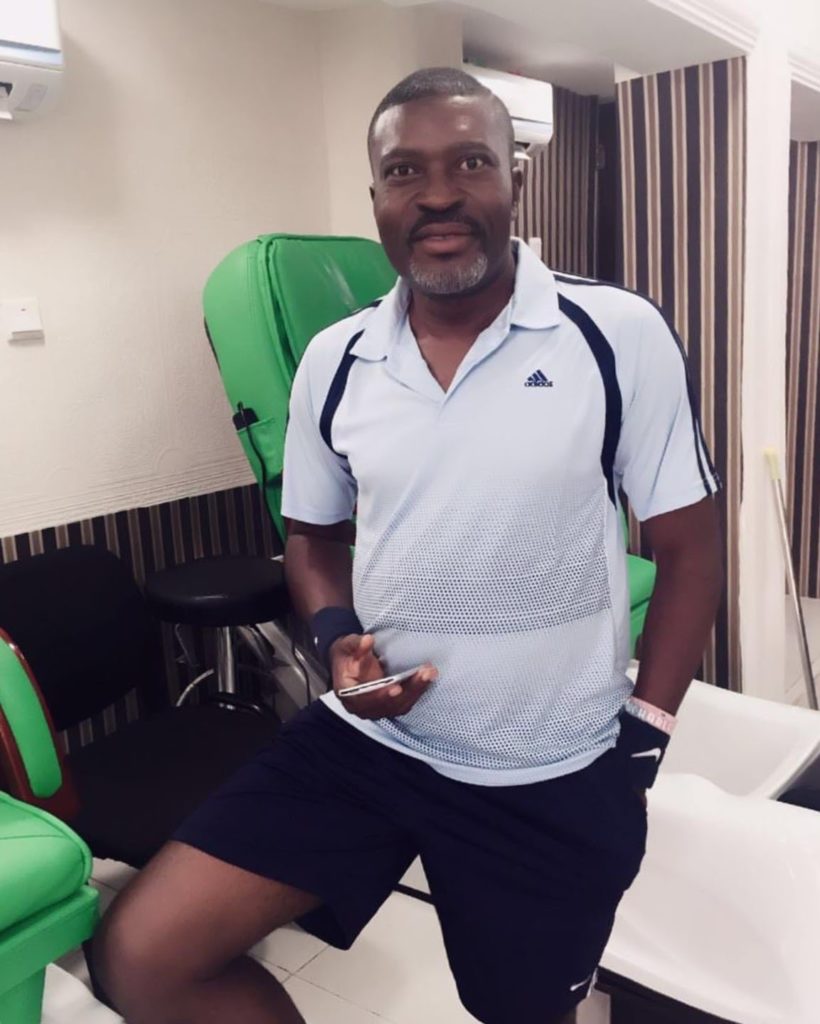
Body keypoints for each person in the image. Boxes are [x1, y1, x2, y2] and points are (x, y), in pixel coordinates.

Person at [92, 67, 724, 1024]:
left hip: (550, 771)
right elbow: (312, 538)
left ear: (513, 179)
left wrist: (644, 739)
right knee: (145, 955)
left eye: (469, 163)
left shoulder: (613, 332)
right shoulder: (336, 359)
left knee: (520, 1012)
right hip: (372, 743)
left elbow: (690, 549)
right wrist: (335, 640)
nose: (437, 194)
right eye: (404, 171)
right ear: (377, 197)